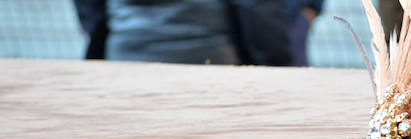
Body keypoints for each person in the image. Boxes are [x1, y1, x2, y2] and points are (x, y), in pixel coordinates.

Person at [73, 0, 309, 65]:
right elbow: (257, 8)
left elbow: (92, 11)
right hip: (209, 64)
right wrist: (274, 66)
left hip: (126, 59)